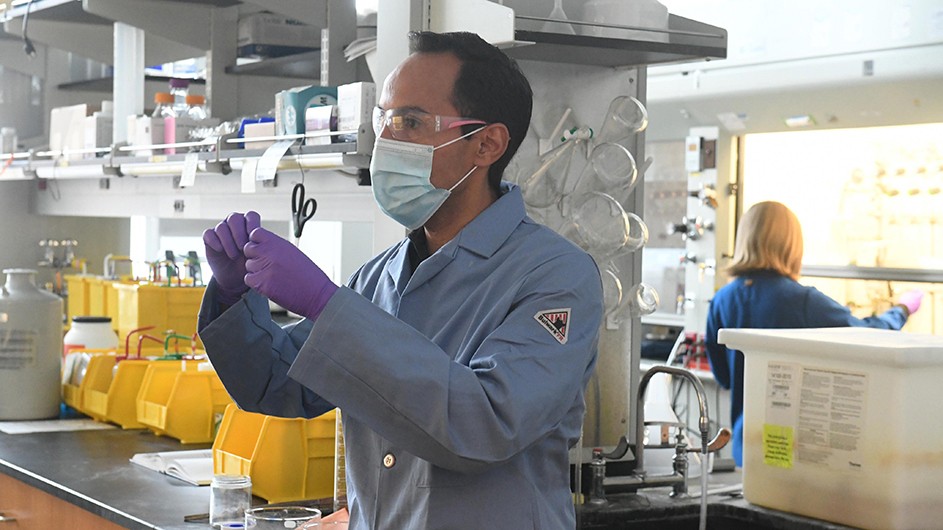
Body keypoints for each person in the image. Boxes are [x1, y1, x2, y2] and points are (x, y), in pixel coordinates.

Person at [199, 31, 603, 529]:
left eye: (410, 122)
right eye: (384, 121)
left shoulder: (555, 276)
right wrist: (235, 298)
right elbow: (278, 384)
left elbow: (487, 424)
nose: (386, 141)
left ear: (486, 143)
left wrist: (328, 306)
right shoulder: (381, 275)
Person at [705, 200, 923, 467]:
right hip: (798, 448)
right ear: (791, 244)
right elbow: (869, 334)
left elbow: (724, 377)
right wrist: (902, 309)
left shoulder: (721, 300)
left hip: (745, 445)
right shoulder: (802, 300)